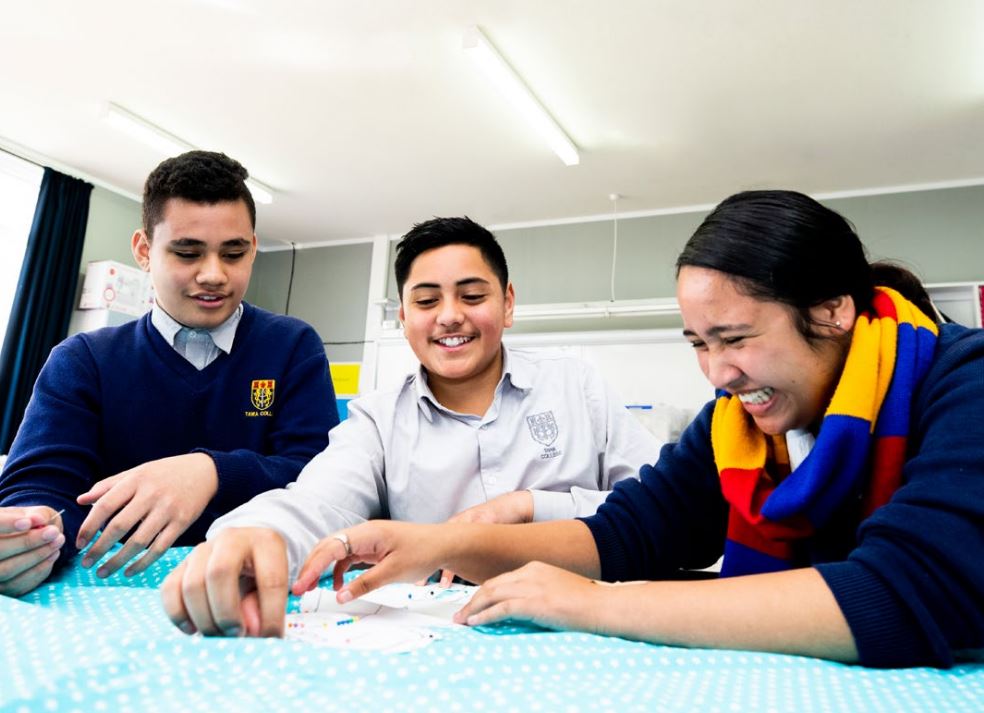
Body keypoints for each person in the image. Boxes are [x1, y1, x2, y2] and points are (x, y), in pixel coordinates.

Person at [251, 191, 983, 669]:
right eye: (698, 343)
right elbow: (633, 528)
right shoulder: (735, 425)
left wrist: (594, 602)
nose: (717, 374)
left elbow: (902, 595)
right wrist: (447, 542)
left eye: (733, 338)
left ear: (833, 309)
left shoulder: (963, 382)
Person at [160, 216, 662, 637]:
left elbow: (664, 510)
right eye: (426, 302)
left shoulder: (578, 386)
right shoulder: (378, 418)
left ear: (507, 303)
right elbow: (316, 505)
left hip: (590, 628)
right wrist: (252, 538)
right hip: (443, 643)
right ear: (402, 316)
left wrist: (527, 506)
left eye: (471, 296)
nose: (449, 316)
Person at [0, 150, 339, 596]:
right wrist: (30, 535)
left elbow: (321, 478)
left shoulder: (292, 346)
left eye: (233, 253)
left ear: (253, 248)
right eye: (187, 252)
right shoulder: (82, 359)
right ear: (144, 250)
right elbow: (41, 486)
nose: (214, 274)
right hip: (109, 590)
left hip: (254, 585)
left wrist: (212, 472)